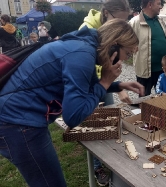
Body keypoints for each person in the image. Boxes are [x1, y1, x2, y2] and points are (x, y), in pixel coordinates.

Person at [0, 19, 144, 187]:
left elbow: (86, 85)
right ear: (114, 46)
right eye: (127, 53)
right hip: (17, 124)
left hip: (18, 119)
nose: (125, 60)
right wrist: (105, 82)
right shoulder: (81, 55)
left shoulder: (83, 46)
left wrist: (117, 85)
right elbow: (73, 116)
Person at [79, 0, 131, 186]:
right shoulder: (86, 34)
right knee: (94, 127)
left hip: (104, 83)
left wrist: (118, 86)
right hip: (93, 85)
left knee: (109, 124)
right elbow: (90, 79)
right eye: (119, 21)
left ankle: (112, 160)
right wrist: (109, 83)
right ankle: (98, 166)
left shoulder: (108, 30)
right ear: (106, 14)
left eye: (124, 22)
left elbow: (109, 63)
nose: (121, 26)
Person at [129, 0, 166, 96]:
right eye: (159, 4)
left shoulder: (161, 21)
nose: (161, 7)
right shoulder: (134, 22)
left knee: (164, 98)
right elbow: (124, 42)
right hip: (145, 71)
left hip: (163, 70)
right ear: (150, 4)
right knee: (143, 99)